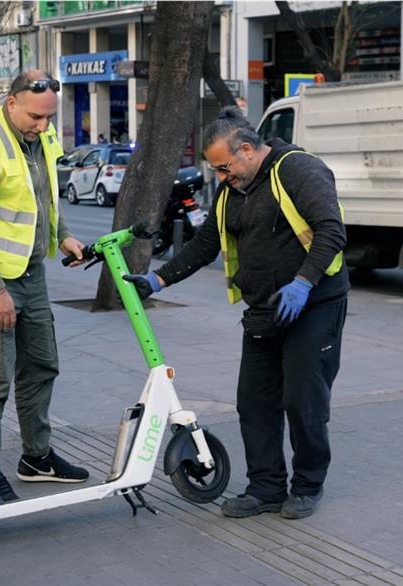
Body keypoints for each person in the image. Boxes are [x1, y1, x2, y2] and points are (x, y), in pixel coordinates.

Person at [125, 107, 348, 520]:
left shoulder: (298, 170)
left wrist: (303, 282)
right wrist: (158, 281)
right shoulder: (233, 190)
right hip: (264, 310)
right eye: (217, 171)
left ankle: (307, 486)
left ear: (246, 149)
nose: (221, 177)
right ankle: (265, 488)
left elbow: (332, 230)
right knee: (255, 403)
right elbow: (205, 244)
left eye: (225, 167)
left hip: (314, 305)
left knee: (304, 401)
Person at [0, 70, 90, 502]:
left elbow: (43, 196)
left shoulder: (39, 139)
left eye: (49, 118)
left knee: (42, 365)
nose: (43, 126)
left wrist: (62, 232)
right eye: (35, 117)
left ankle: (37, 457)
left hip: (31, 275)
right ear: (10, 102)